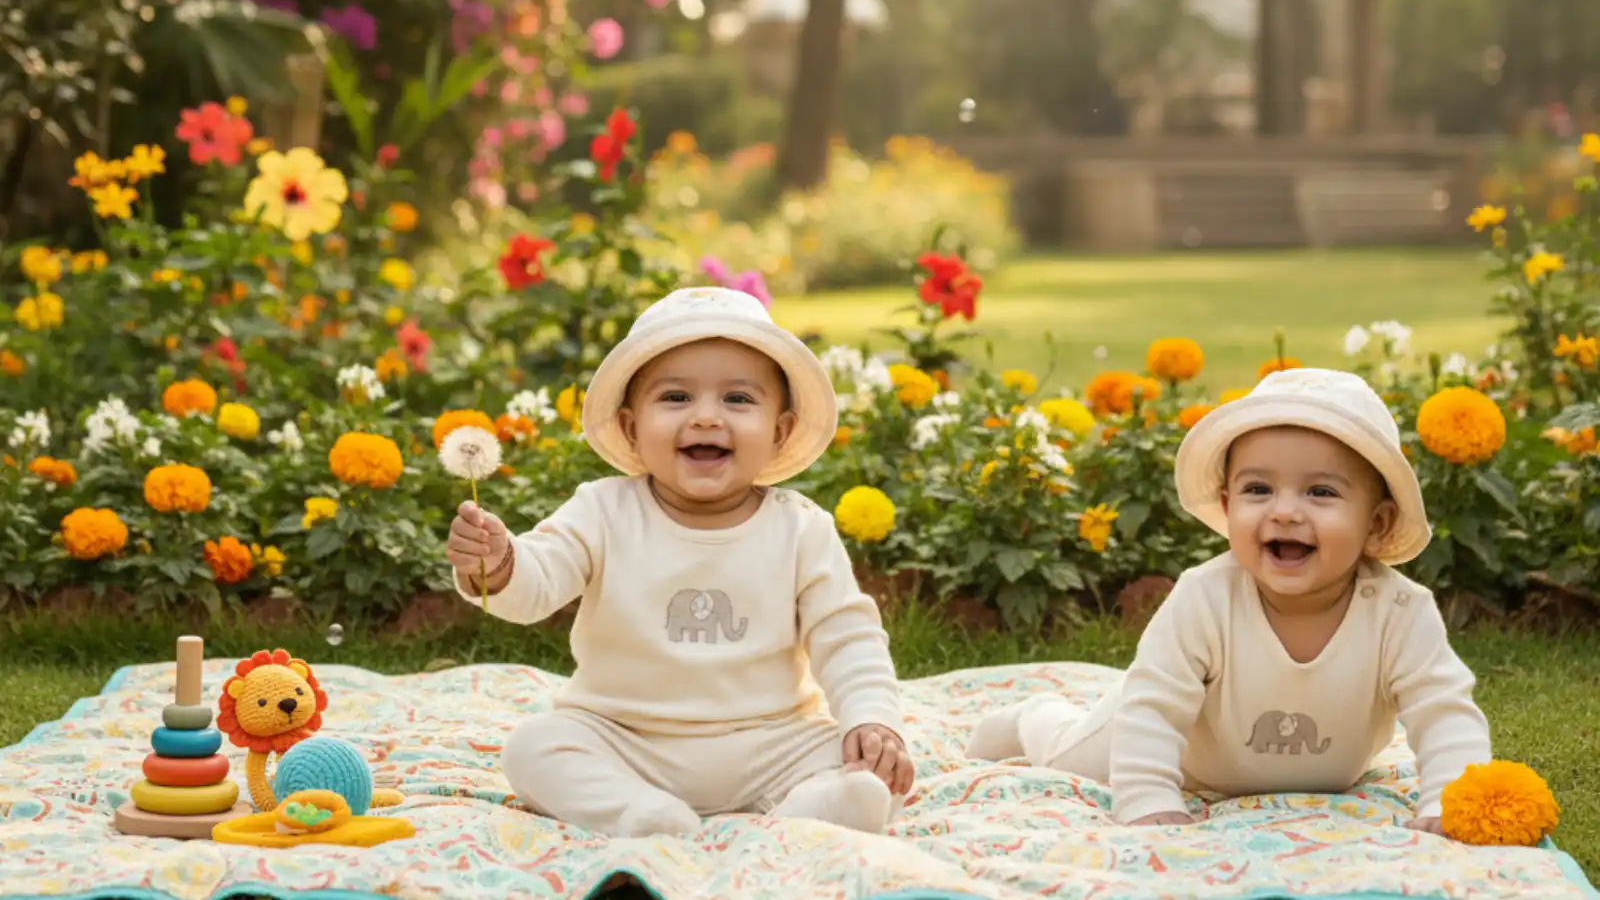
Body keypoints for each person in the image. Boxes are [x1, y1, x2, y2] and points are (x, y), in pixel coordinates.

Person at [446, 286, 914, 837]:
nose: (707, 418)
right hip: (625, 737)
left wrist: (872, 719)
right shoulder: (602, 510)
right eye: (675, 398)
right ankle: (638, 812)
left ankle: (814, 807)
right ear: (630, 427)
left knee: (869, 773)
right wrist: (500, 563)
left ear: (780, 431)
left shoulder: (800, 527)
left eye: (738, 399)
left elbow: (848, 635)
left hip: (770, 740)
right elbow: (539, 582)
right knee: (532, 747)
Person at [965, 367, 1492, 832]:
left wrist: (1451, 800)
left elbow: (1444, 712)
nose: (1285, 512)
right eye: (1258, 490)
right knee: (1072, 755)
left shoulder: (1400, 613)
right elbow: (1153, 708)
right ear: (1226, 504)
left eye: (1321, 492)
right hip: (1182, 750)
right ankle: (1031, 719)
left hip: (1325, 765)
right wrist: (1148, 797)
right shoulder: (1206, 598)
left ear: (1375, 522)